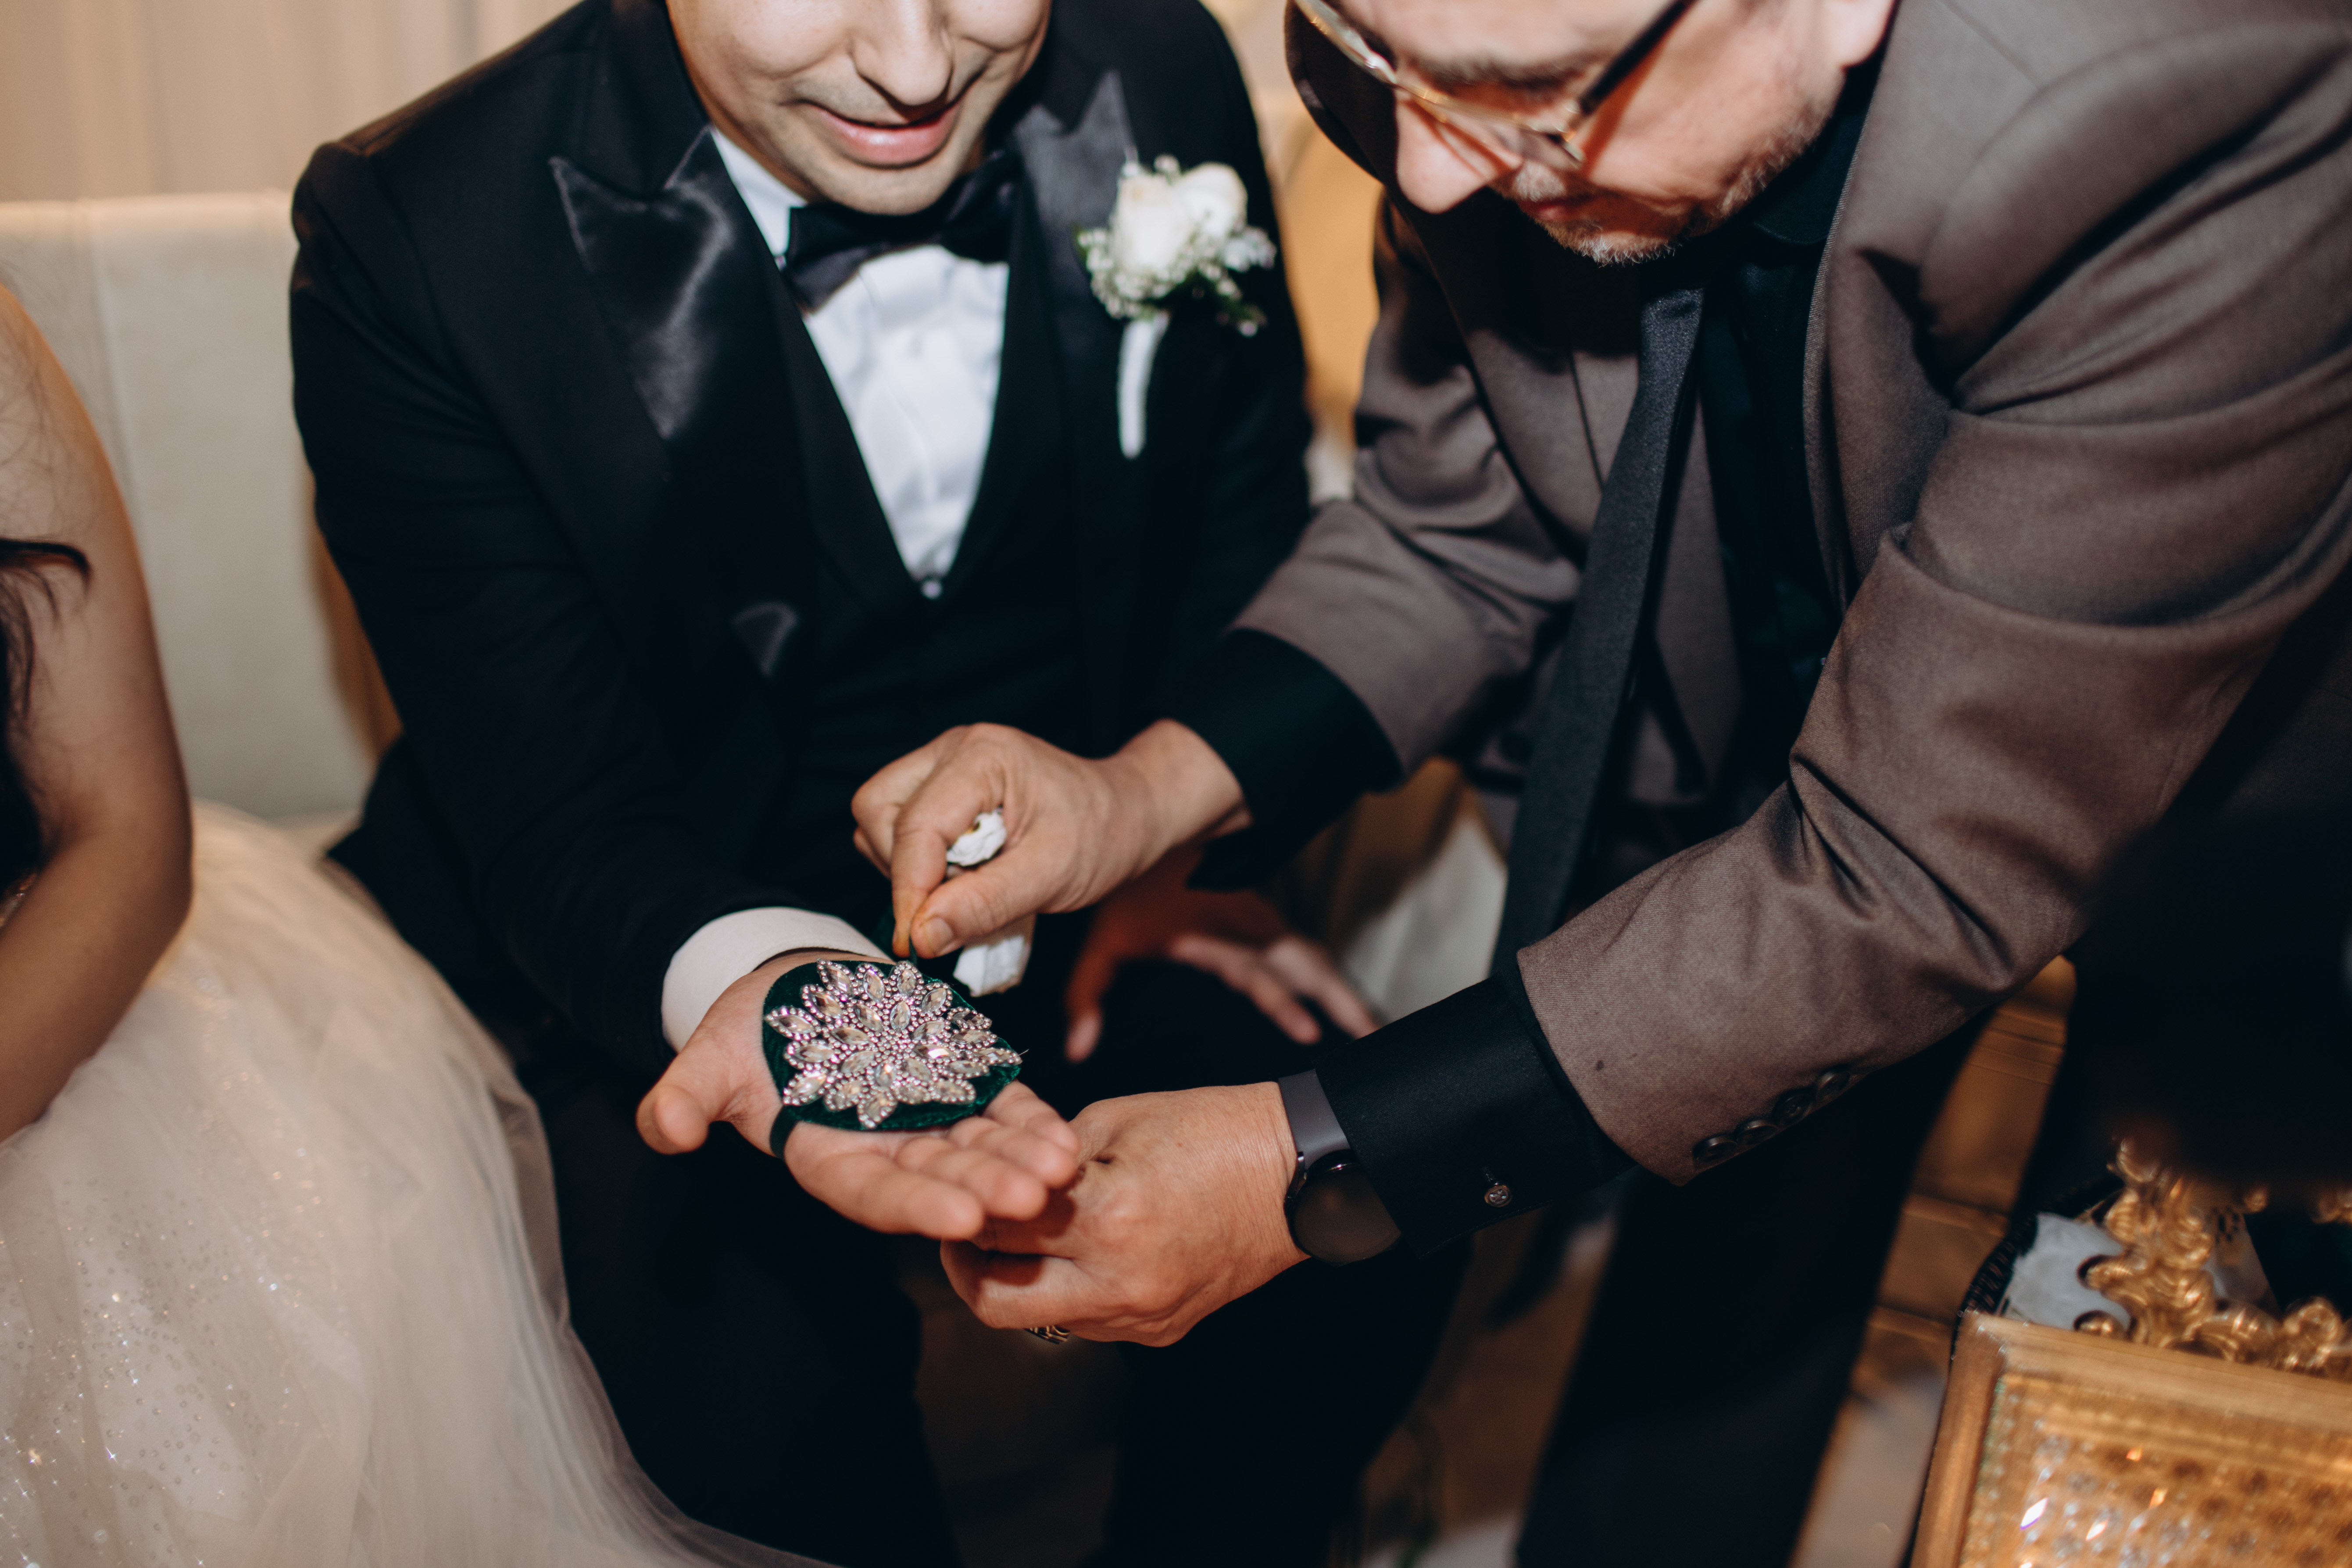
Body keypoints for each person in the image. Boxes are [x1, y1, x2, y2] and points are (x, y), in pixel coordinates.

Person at [834, 0, 2352, 1561]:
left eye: (1525, 96)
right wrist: (1133, 796)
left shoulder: (2189, 118)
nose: (1426, 173)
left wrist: (1303, 1167)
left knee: (2159, 1413)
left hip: (2256, 824)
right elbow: (1453, 524)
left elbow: (1906, 864)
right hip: (1764, 802)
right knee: (1709, 1286)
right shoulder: (1447, 60)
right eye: (1385, 67)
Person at [290, 0, 1466, 1561]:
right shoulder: (424, 231)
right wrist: (825, 1014)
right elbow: (562, 815)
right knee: (756, 1400)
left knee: (1361, 1191)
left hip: (1072, 898)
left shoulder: (1158, 66)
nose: (915, 70)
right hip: (645, 946)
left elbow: (1233, 533)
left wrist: (1157, 859)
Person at [0, 286, 828, 1567]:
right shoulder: (413, 258)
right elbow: (566, 812)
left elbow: (123, 832)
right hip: (611, 944)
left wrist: (1136, 812)